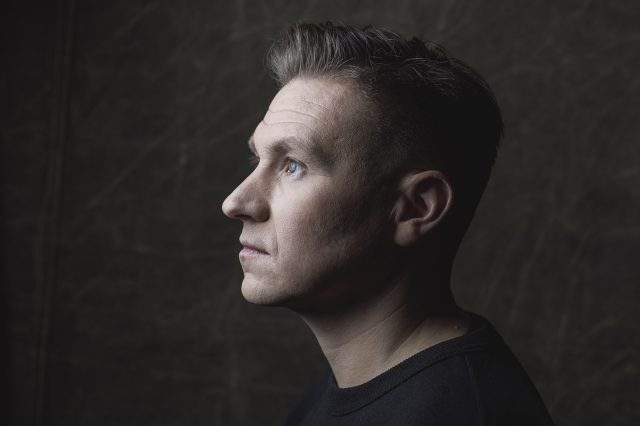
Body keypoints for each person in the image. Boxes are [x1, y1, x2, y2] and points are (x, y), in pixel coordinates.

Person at [222, 21, 554, 426]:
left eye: (293, 165)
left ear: (417, 207)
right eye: (258, 159)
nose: (235, 203)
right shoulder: (346, 391)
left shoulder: (459, 413)